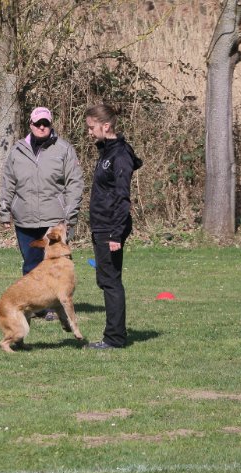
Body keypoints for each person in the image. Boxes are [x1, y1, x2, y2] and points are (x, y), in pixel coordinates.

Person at [0, 106, 85, 319]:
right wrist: (4, 211)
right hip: (24, 219)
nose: (42, 127)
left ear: (51, 124)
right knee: (30, 265)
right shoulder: (17, 150)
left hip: (54, 220)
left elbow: (75, 183)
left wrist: (70, 215)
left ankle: (54, 306)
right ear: (31, 124)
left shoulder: (64, 149)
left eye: (46, 123)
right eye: (38, 123)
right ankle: (32, 306)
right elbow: (8, 183)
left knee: (56, 266)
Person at [84, 103, 143, 349]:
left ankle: (114, 338)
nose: (89, 132)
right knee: (106, 279)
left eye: (92, 127)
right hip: (102, 225)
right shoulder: (107, 152)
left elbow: (122, 198)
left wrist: (116, 234)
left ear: (105, 126)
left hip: (111, 227)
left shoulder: (119, 156)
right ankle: (114, 335)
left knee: (110, 282)